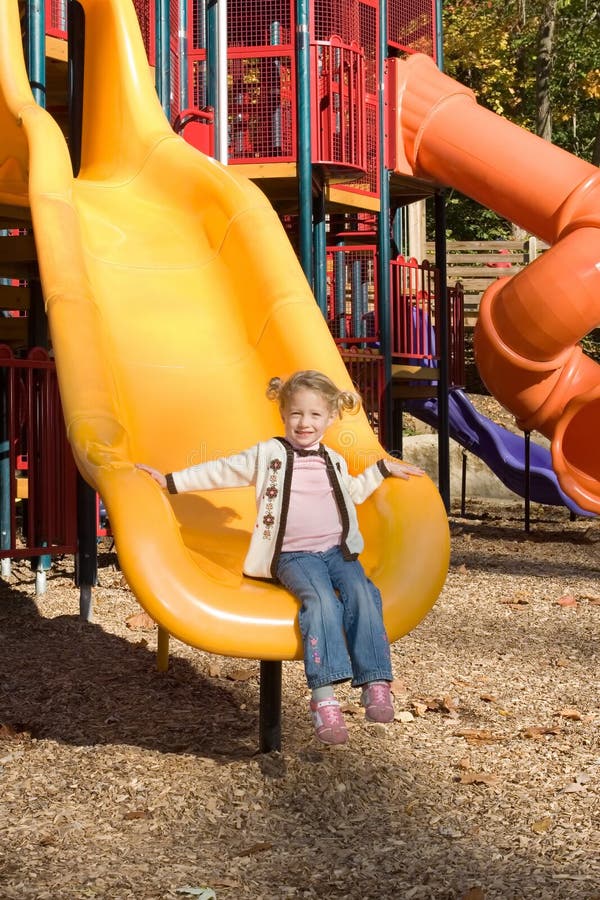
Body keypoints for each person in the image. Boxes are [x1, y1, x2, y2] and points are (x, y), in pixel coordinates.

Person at [136, 370, 424, 745]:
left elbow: (352, 492)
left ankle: (375, 681)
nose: (305, 423)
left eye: (315, 415)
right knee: (320, 601)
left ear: (331, 418)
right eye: (296, 414)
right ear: (284, 414)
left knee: (363, 594)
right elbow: (222, 470)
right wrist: (171, 481)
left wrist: (382, 468)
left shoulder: (333, 460)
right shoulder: (269, 455)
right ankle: (324, 698)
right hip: (294, 556)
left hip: (337, 552)